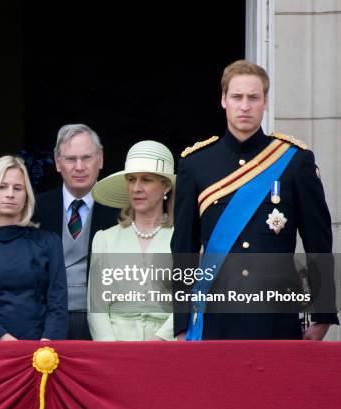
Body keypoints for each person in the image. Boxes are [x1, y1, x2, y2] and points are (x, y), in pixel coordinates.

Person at [172, 59, 338, 340]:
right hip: (215, 316)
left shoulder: (295, 161)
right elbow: (183, 250)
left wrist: (323, 315)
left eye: (253, 97)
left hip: (276, 317)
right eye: (237, 97)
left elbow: (318, 242)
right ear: (224, 100)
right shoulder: (196, 164)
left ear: (265, 102)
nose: (245, 106)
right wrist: (181, 323)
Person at [0, 156, 68, 341]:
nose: (10, 194)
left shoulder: (49, 242)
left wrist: (46, 346)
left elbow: (58, 304)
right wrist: (7, 343)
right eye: (2, 186)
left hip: (43, 351)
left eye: (17, 188)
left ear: (26, 196)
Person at [33, 124, 118, 340]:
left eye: (87, 158)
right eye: (71, 159)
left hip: (105, 322)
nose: (79, 167)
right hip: (46, 323)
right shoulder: (34, 209)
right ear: (58, 162)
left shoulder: (121, 210)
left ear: (100, 159)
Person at [87, 141, 175, 341]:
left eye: (146, 180)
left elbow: (191, 300)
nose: (136, 188)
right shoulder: (105, 239)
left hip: (168, 350)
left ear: (166, 186)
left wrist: (160, 341)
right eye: (131, 179)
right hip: (115, 350)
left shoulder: (182, 239)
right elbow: (97, 308)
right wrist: (113, 351)